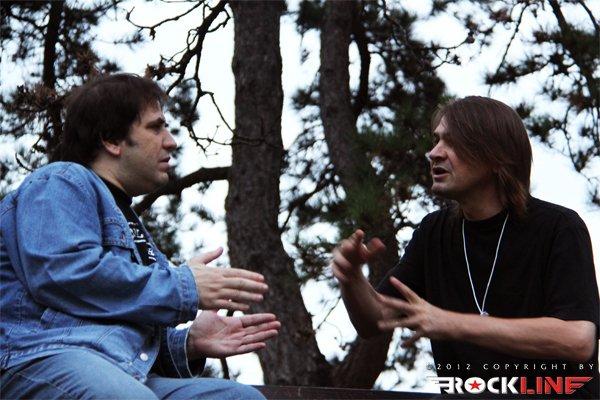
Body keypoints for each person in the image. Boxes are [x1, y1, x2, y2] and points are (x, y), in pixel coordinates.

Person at [0, 73, 280, 399]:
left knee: (239, 398)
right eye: (156, 127)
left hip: (119, 373)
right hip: (38, 358)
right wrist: (184, 287)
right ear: (111, 140)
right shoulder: (61, 180)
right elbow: (61, 275)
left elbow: (121, 332)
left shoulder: (132, 227)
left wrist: (188, 343)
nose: (171, 141)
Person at [331, 96, 599, 398]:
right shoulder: (434, 232)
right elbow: (376, 318)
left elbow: (577, 339)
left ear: (496, 156)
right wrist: (351, 278)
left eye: (452, 142)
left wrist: (451, 323)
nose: (434, 153)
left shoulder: (559, 227)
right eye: (436, 141)